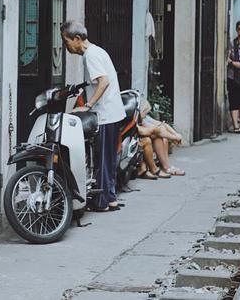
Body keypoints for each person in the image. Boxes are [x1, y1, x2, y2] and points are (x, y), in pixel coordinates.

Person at [61, 20, 125, 212]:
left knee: (103, 159)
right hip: (113, 112)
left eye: (67, 41)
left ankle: (103, 202)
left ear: (78, 38)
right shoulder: (96, 51)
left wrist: (88, 105)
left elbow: (103, 82)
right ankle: (110, 198)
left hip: (105, 114)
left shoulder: (90, 55)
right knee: (109, 158)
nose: (66, 46)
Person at [136, 100, 185, 178]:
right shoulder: (139, 120)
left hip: (147, 135)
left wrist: (176, 134)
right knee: (158, 137)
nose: (146, 115)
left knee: (163, 137)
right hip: (141, 138)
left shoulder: (145, 118)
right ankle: (165, 167)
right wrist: (174, 137)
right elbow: (154, 130)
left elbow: (162, 125)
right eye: (145, 112)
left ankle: (166, 166)